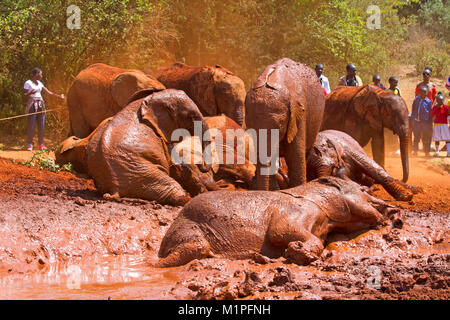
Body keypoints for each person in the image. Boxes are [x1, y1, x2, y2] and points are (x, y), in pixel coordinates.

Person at [23, 68, 65, 151]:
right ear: (36, 74)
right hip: (32, 104)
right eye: (40, 74)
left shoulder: (40, 83)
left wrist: (60, 96)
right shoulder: (28, 83)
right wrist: (31, 93)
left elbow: (49, 92)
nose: (41, 76)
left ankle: (41, 144)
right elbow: (23, 95)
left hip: (41, 105)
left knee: (41, 125)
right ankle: (29, 144)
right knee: (31, 125)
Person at [411, 85, 433, 156]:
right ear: (419, 92)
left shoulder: (428, 101)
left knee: (426, 138)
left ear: (427, 93)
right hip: (417, 122)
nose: (423, 93)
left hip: (425, 122)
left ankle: (426, 152)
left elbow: (430, 112)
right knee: (416, 137)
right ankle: (415, 151)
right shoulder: (416, 100)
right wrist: (412, 120)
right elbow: (413, 110)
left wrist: (430, 122)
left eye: (425, 92)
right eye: (422, 92)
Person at [430, 93, 450, 157]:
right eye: (439, 100)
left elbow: (448, 114)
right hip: (437, 124)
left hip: (444, 125)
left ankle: (449, 152)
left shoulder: (446, 107)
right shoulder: (435, 107)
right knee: (437, 138)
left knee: (447, 138)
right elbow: (432, 114)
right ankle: (437, 151)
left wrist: (445, 106)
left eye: (441, 100)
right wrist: (436, 108)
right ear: (437, 101)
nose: (440, 102)